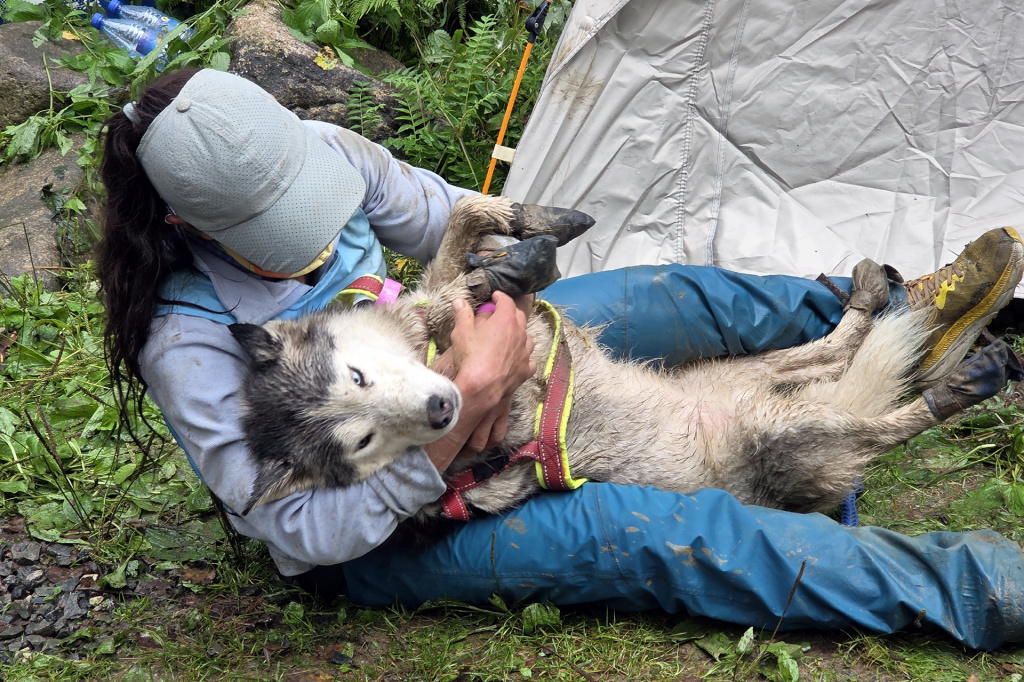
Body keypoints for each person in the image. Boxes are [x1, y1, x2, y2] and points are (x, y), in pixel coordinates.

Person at [97, 68, 1024, 650]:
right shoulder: (186, 340)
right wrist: (464, 415)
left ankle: (893, 314)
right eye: (272, 238)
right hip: (385, 522)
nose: (306, 238)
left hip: (442, 351)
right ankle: (974, 588)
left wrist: (508, 280)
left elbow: (446, 216)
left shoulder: (320, 154)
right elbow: (294, 533)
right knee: (646, 536)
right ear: (186, 225)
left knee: (656, 295)